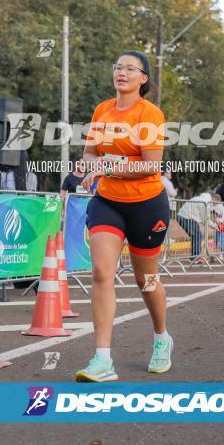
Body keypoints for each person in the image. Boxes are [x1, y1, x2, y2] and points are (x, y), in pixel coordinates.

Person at [76, 50, 171, 382]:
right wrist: (89, 166)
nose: (122, 72)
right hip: (108, 201)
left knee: (146, 279)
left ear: (143, 79)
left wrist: (108, 165)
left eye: (131, 69)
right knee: (102, 271)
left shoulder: (150, 114)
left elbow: (150, 165)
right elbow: (90, 152)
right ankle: (103, 360)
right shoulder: (102, 110)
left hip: (147, 204)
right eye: (118, 67)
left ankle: (161, 337)